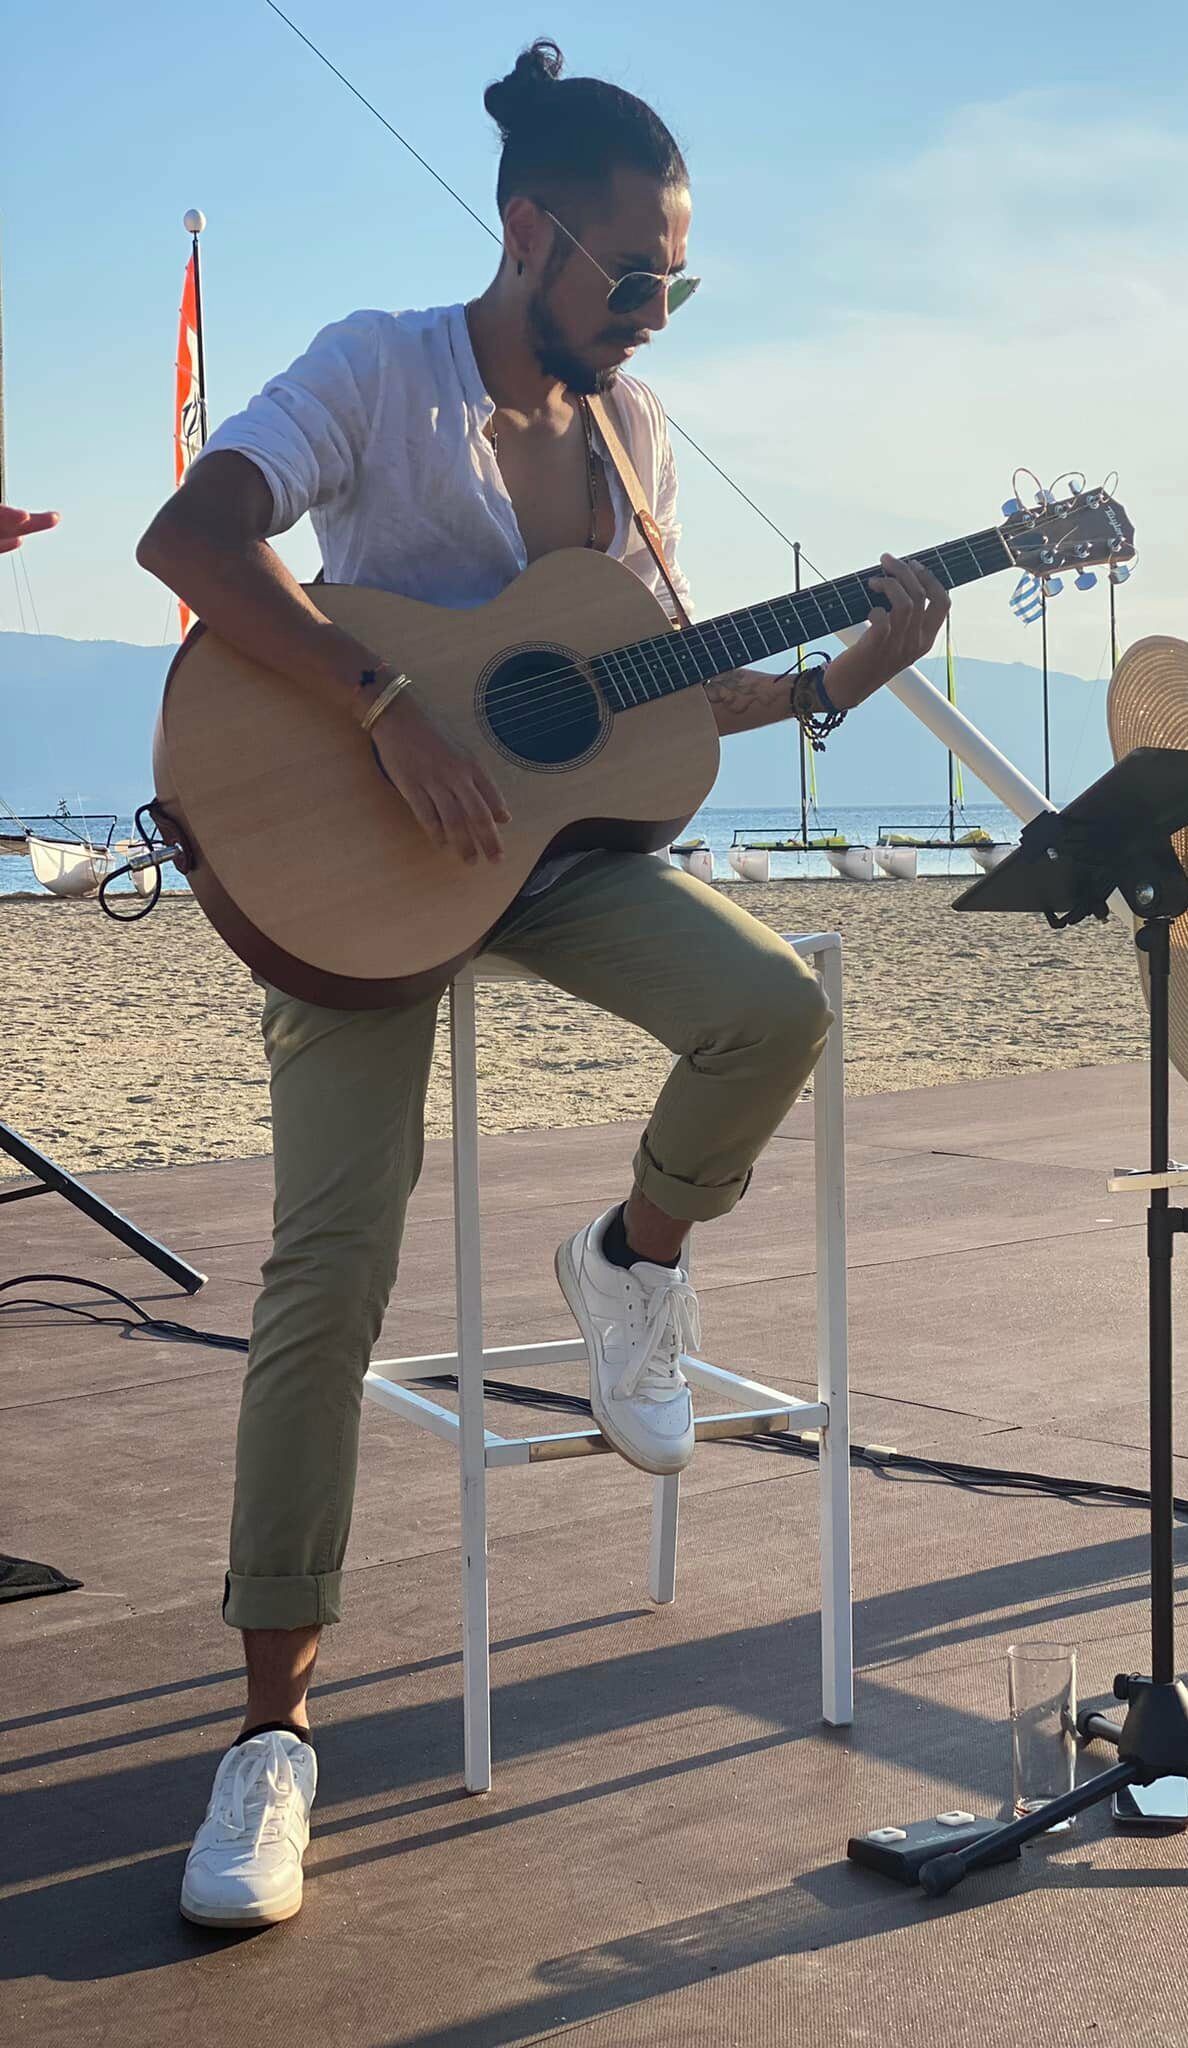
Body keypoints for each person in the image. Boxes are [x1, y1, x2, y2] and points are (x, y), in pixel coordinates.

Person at [137, 40, 948, 1930]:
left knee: (782, 1010)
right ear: (531, 237)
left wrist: (841, 675)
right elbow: (194, 536)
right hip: (346, 858)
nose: (657, 314)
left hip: (552, 868)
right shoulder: (375, 366)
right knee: (328, 1267)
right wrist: (387, 702)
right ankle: (273, 1739)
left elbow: (636, 699)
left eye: (683, 281)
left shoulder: (630, 446)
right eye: (637, 276)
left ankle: (632, 1261)